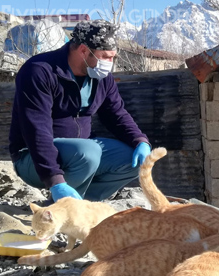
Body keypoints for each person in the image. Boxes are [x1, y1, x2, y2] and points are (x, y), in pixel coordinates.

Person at [9, 20, 150, 203]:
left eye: (113, 57)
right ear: (83, 50)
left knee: (137, 160)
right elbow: (36, 129)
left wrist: (140, 140)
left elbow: (116, 114)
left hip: (81, 153)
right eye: (105, 56)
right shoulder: (39, 71)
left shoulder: (101, 77)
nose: (110, 63)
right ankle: (60, 206)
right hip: (32, 158)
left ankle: (83, 204)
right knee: (88, 152)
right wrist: (54, 180)